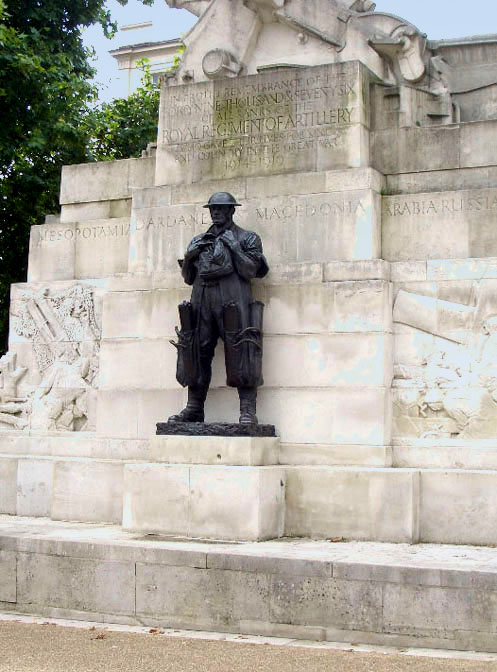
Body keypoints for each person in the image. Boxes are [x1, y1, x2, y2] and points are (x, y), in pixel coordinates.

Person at [169, 192, 269, 424]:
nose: (216, 213)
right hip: (202, 298)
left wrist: (234, 248)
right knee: (196, 350)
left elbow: (251, 271)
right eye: (213, 209)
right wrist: (189, 255)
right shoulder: (199, 240)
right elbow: (188, 277)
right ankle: (194, 407)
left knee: (242, 349)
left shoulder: (247, 238)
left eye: (221, 209)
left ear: (231, 211)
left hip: (232, 299)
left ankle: (247, 410)